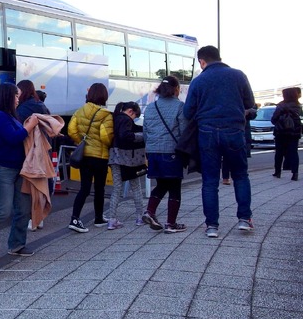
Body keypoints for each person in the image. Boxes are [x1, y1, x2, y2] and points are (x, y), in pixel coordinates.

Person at [183, 45, 256, 238]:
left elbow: (187, 112)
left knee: (209, 182)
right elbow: (250, 103)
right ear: (219, 57)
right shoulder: (239, 75)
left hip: (207, 133)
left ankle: (212, 226)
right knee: (240, 175)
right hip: (234, 131)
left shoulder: (198, 81)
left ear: (202, 61)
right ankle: (244, 219)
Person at [0, 82, 39, 256]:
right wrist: (29, 127)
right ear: (7, 96)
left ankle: (17, 245)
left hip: (19, 169)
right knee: (2, 211)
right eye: (16, 96)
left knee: (23, 209)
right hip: (2, 170)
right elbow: (14, 138)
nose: (18, 99)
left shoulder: (10, 116)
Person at [142, 76, 189, 233]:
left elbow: (146, 132)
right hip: (171, 152)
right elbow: (183, 132)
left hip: (153, 153)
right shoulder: (180, 107)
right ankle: (171, 224)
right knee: (174, 187)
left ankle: (150, 211)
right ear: (176, 89)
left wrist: (149, 150)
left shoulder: (150, 107)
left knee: (161, 184)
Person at [67, 83, 114, 232]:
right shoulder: (105, 114)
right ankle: (98, 218)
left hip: (84, 156)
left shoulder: (79, 112)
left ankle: (75, 218)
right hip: (99, 156)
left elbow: (71, 130)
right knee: (99, 187)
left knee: (84, 188)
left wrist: (81, 141)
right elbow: (105, 137)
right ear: (104, 96)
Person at [16, 79, 52, 230]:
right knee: (42, 181)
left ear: (23, 91)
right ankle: (40, 215)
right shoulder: (40, 105)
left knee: (30, 182)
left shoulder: (23, 108)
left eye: (18, 92)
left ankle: (33, 216)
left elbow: (19, 131)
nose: (16, 95)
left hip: (30, 149)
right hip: (43, 147)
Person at [106, 101, 146, 230]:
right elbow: (125, 135)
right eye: (135, 116)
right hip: (129, 159)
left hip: (114, 156)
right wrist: (141, 136)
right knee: (136, 187)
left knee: (117, 188)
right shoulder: (126, 120)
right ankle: (140, 217)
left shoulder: (114, 118)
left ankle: (112, 219)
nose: (133, 119)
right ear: (130, 112)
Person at [271, 87, 302, 181]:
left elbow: (274, 119)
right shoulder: (298, 106)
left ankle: (277, 172)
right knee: (293, 152)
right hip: (294, 132)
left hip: (281, 132)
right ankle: (295, 173)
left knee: (279, 152)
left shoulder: (281, 106)